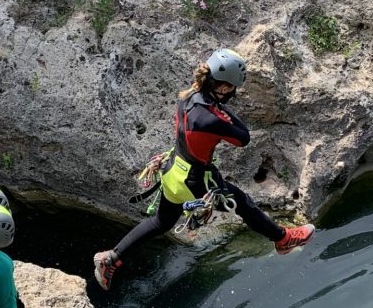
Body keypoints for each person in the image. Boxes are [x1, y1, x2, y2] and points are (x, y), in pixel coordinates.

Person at [93, 48, 315, 290]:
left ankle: (110, 258)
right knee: (242, 203)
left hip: (173, 171)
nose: (233, 93)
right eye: (231, 89)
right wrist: (222, 110)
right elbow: (243, 138)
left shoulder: (186, 97)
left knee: (161, 222)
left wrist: (216, 105)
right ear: (222, 87)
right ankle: (284, 240)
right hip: (195, 182)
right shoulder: (210, 119)